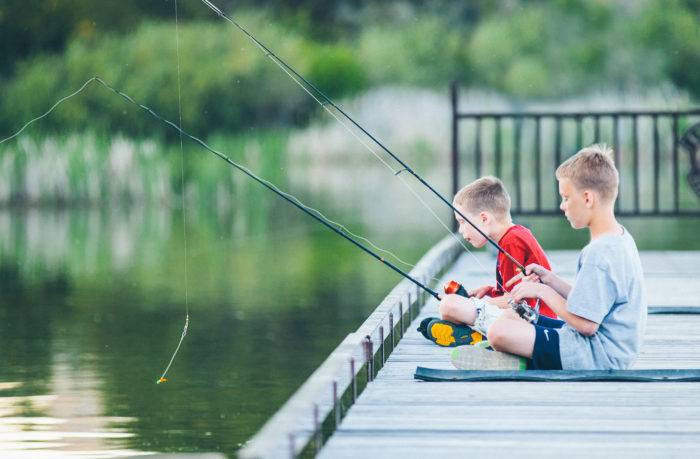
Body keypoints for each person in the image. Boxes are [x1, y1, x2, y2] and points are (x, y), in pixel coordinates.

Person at [449, 144, 647, 370]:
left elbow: (586, 325)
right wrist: (550, 279)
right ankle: (520, 351)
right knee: (511, 319)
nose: (562, 206)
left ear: (587, 199)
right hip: (609, 350)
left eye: (565, 197)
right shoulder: (619, 239)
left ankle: (520, 361)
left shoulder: (598, 254)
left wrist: (543, 291)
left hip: (596, 356)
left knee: (499, 331)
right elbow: (591, 304)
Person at [418, 176, 554, 347]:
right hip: (526, 319)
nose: (460, 230)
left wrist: (473, 304)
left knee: (449, 306)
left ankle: (483, 338)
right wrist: (491, 291)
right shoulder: (513, 236)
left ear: (484, 218)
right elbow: (513, 291)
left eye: (462, 222)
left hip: (536, 323)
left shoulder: (512, 241)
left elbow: (515, 301)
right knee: (451, 307)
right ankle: (473, 334)